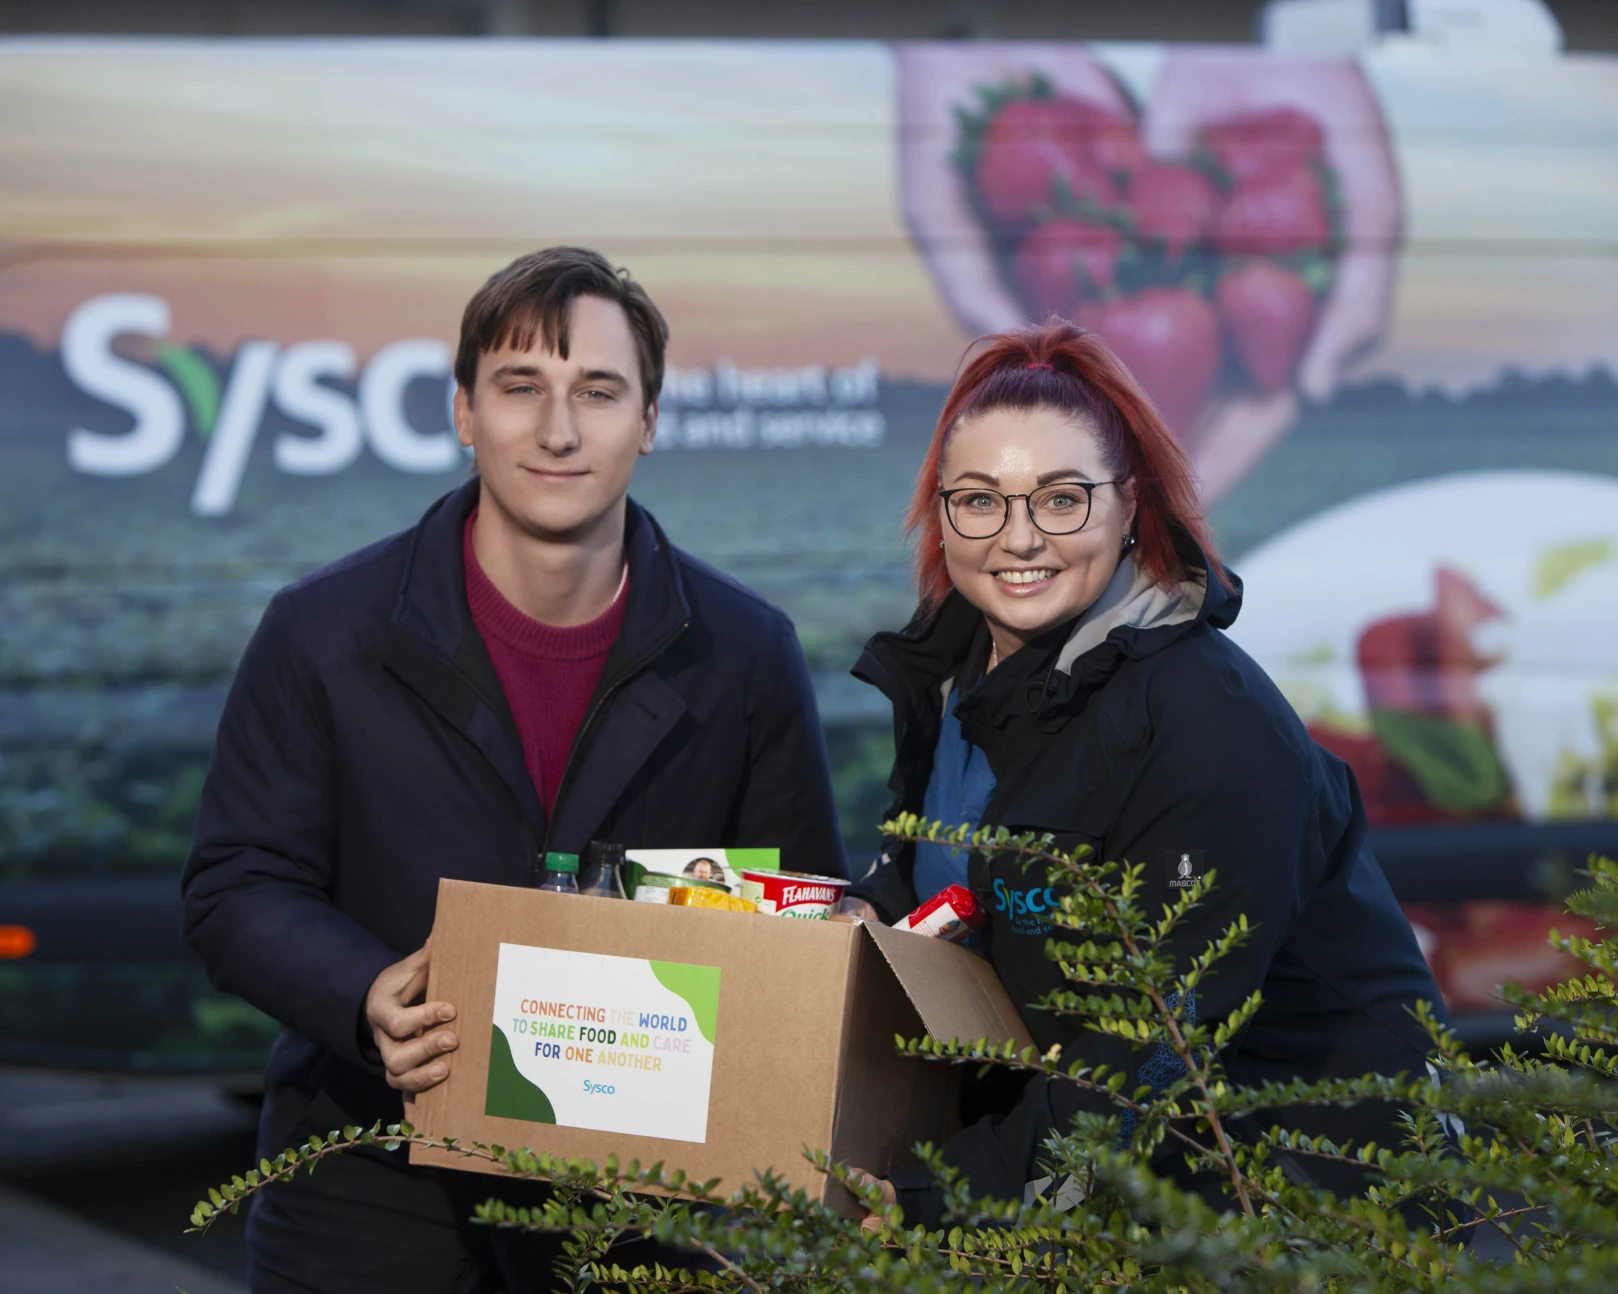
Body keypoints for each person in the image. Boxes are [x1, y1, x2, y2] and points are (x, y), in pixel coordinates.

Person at [181, 247, 845, 1292]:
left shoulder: (744, 652)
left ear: (650, 420)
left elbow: (793, 919)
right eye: (520, 387)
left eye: (597, 390)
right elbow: (237, 885)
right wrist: (364, 995)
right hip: (365, 1169)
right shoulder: (322, 633)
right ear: (463, 413)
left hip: (636, 1196)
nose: (558, 429)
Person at [838, 319, 1445, 1226]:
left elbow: (1157, 1051)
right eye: (979, 500)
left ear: (1130, 505)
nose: (1019, 537)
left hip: (1294, 1197)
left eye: (1060, 499)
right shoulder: (961, 682)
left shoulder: (1210, 723)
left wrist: (947, 1200)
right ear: (941, 514)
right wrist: (866, 922)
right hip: (1098, 1180)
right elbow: (963, 897)